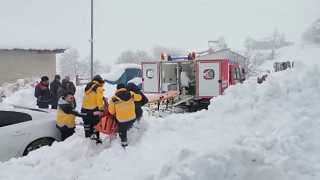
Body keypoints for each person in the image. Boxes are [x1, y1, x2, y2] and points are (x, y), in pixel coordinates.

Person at [109, 84, 142, 148]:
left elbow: (111, 111)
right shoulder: (131, 94)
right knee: (131, 129)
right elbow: (139, 98)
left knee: (122, 132)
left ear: (117, 89)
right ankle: (135, 143)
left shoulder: (113, 98)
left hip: (122, 120)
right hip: (132, 118)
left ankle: (124, 145)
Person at [81, 75, 105, 142]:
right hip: (93, 110)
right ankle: (96, 139)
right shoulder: (98, 88)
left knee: (86, 124)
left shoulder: (88, 87)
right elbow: (99, 99)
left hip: (84, 109)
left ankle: (87, 138)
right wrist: (101, 109)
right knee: (95, 125)